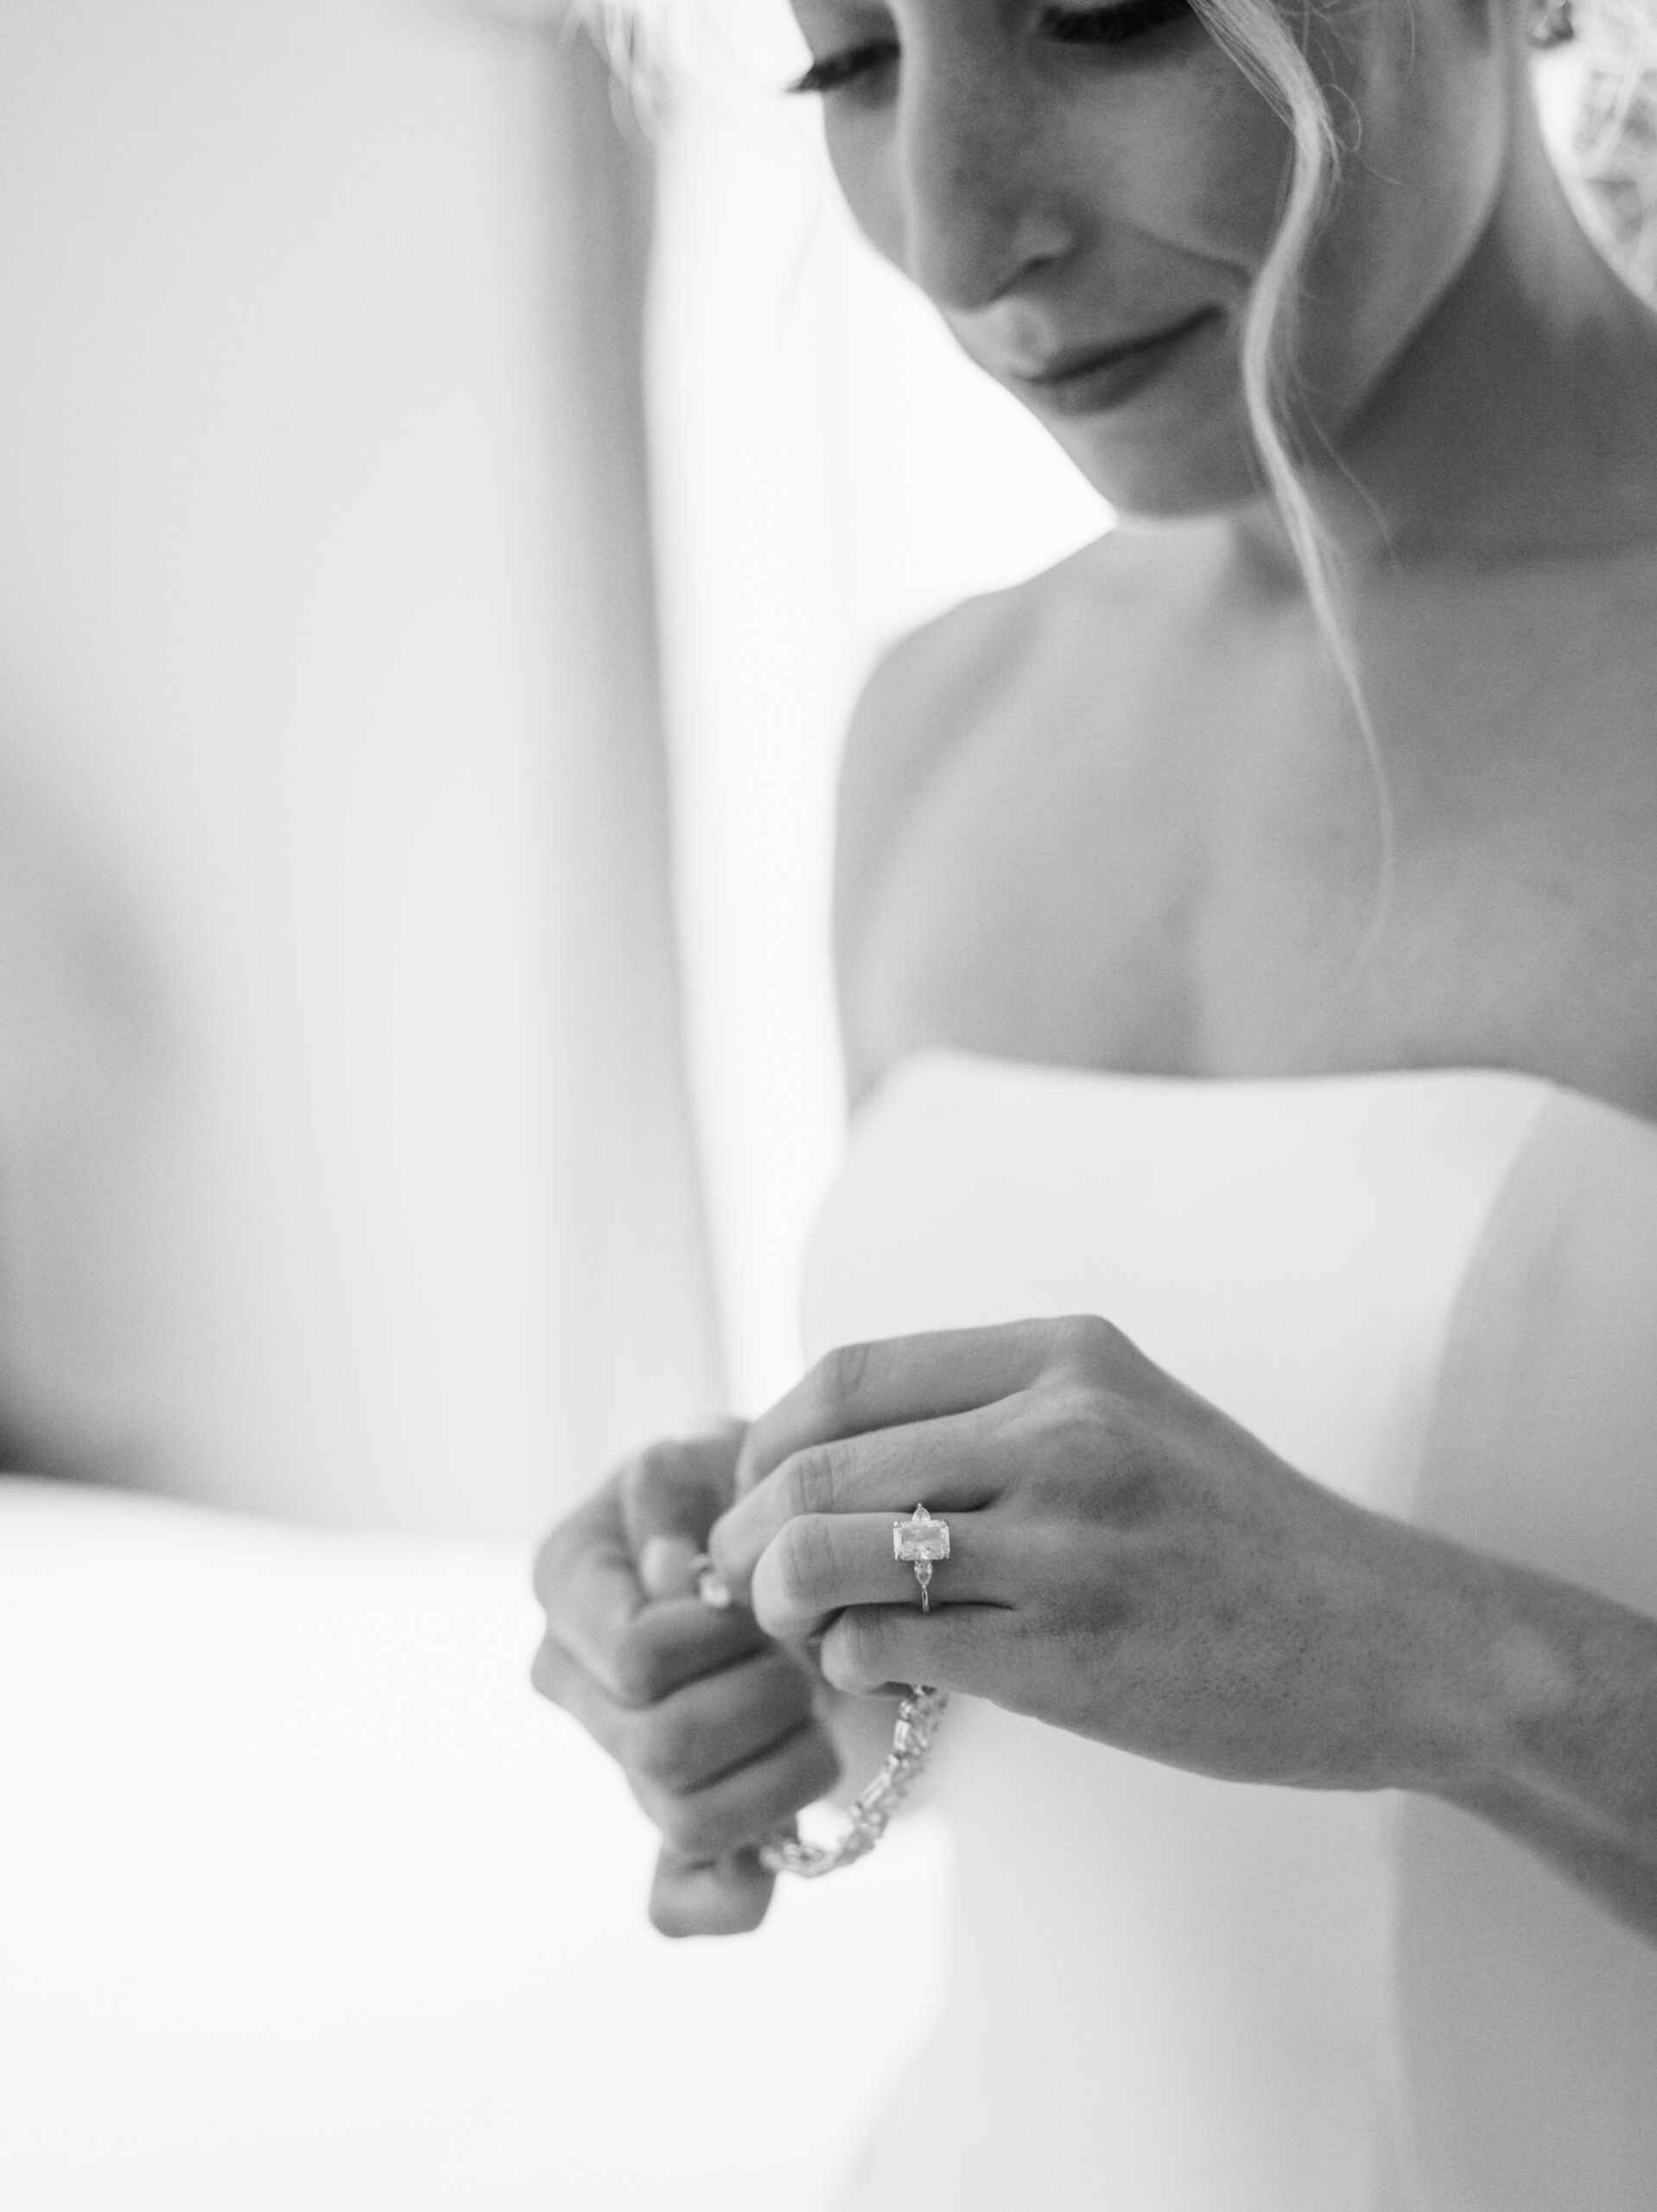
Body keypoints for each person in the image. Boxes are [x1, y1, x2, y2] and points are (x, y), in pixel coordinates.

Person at [533, 0, 1657, 2202]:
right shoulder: (936, 723)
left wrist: (1449, 1669)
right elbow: (1038, 1698)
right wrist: (798, 1646)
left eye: (1105, 13)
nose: (954, 232)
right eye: (846, 62)